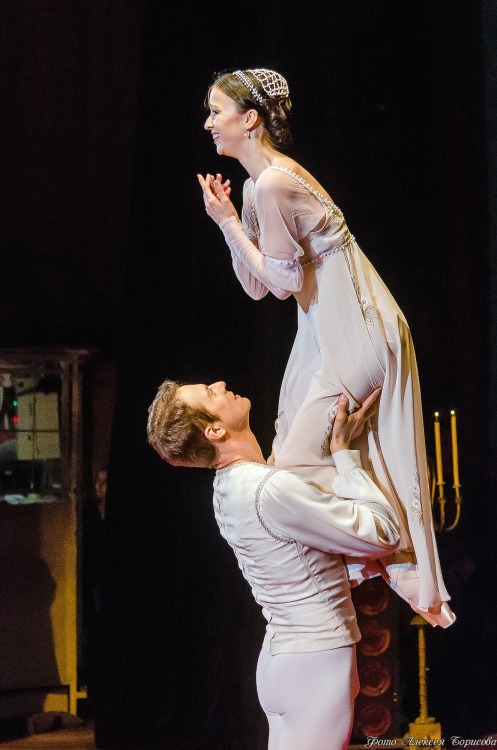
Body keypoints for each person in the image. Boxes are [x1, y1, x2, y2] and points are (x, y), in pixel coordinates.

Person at [197, 68, 454, 627]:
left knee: (297, 456)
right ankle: (375, 560)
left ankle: (393, 562)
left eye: (216, 111)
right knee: (290, 444)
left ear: (250, 119)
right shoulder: (255, 187)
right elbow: (259, 286)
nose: (208, 123)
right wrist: (229, 224)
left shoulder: (274, 182)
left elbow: (284, 281)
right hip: (322, 330)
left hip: (357, 326)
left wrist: (231, 225)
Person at [147, 379, 400, 750]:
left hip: (283, 661)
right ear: (214, 431)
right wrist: (344, 454)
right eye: (211, 393)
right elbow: (383, 533)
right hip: (315, 661)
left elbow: (298, 561)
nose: (220, 384)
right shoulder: (268, 487)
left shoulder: (227, 488)